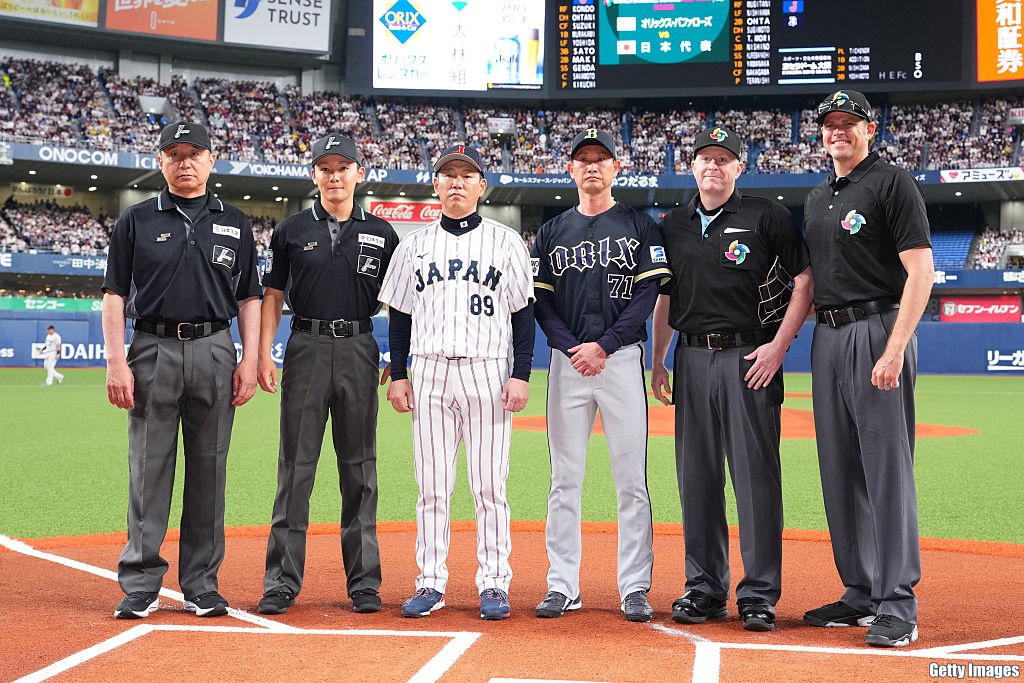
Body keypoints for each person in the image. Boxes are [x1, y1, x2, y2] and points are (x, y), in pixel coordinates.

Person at [650, 126, 813, 632]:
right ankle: (705, 589)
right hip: (693, 358)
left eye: (724, 159)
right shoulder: (673, 224)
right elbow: (663, 297)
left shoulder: (767, 215)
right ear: (692, 167)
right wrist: (659, 360)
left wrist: (780, 346)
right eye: (705, 158)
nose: (714, 166)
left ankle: (759, 594)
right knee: (696, 479)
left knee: (754, 480)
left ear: (740, 167)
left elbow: (805, 281)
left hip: (750, 358)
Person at [102, 120, 262, 620]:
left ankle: (201, 584)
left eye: (195, 154)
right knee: (148, 470)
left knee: (209, 471)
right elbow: (114, 295)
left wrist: (250, 358)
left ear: (213, 160)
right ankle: (141, 583)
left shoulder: (235, 221)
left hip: (215, 348)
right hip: (151, 348)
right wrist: (115, 361)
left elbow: (250, 297)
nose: (185, 162)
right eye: (175, 154)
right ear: (161, 161)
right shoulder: (136, 219)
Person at [378, 144, 534, 621]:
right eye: (449, 175)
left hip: (487, 368)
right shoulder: (414, 245)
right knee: (432, 486)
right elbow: (399, 314)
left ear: (482, 186)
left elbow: (523, 316)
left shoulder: (506, 242)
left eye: (468, 176)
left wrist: (521, 374)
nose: (458, 183)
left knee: (490, 486)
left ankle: (493, 583)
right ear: (436, 185)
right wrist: (399, 373)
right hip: (428, 370)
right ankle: (430, 581)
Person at [800, 90, 933, 648]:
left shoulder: (891, 182)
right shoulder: (816, 196)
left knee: (885, 470)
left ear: (869, 128)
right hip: (826, 337)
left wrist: (895, 346)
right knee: (839, 469)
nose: (838, 132)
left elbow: (920, 269)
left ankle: (898, 601)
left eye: (848, 123)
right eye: (830, 125)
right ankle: (860, 590)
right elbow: (806, 283)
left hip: (876, 328)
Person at [530, 128, 671, 622]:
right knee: (563, 479)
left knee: (631, 481)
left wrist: (605, 345)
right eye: (583, 158)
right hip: (568, 364)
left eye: (601, 158)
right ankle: (561, 584)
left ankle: (634, 587)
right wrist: (573, 347)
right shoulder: (551, 232)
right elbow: (540, 302)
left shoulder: (640, 226)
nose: (592, 165)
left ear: (616, 168)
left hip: (622, 361)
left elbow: (647, 296)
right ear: (570, 169)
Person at [256, 133, 399, 616]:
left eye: (344, 166)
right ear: (314, 174)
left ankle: (363, 581)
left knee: (359, 468)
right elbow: (273, 295)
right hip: (306, 346)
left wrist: (399, 359)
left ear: (360, 173)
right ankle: (281, 580)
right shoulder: (291, 230)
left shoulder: (383, 233)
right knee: (294, 467)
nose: (335, 175)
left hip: (360, 347)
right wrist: (262, 352)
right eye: (326, 167)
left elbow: (401, 305)